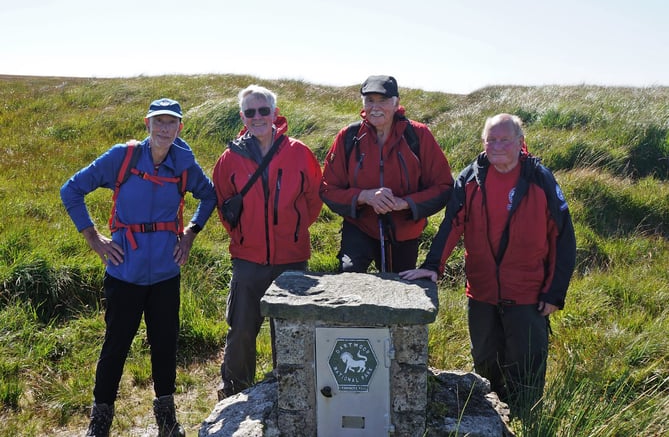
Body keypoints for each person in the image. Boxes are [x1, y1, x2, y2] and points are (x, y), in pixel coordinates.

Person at [400, 113, 576, 417]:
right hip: (481, 292)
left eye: (504, 139)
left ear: (520, 142)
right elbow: (451, 225)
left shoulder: (539, 179)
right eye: (491, 139)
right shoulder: (470, 177)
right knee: (485, 361)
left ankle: (525, 420)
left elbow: (563, 238)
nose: (496, 146)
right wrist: (432, 265)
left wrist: (554, 292)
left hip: (529, 294)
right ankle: (492, 418)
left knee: (526, 364)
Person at [60, 98, 217, 437]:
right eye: (158, 121)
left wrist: (190, 234)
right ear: (147, 124)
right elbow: (71, 190)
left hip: (165, 273)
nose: (164, 128)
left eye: (171, 122)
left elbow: (209, 195)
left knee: (164, 343)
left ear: (180, 127)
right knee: (116, 344)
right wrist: (94, 238)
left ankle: (166, 419)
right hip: (124, 271)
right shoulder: (123, 157)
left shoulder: (184, 164)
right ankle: (100, 419)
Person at [212, 85, 323, 399]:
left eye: (263, 110)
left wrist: (295, 230)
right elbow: (224, 206)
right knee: (242, 329)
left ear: (275, 114)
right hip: (247, 259)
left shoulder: (299, 152)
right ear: (242, 116)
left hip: (291, 258)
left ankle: (288, 389)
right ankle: (235, 390)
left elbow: (315, 198)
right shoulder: (229, 158)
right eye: (250, 112)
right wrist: (243, 238)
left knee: (288, 330)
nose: (257, 117)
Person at [320, 75, 454, 273]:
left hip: (404, 230)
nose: (375, 107)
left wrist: (405, 203)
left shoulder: (418, 135)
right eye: (369, 101)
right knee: (349, 274)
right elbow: (327, 188)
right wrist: (364, 197)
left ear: (396, 103)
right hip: (359, 227)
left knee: (400, 287)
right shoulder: (348, 136)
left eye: (382, 101)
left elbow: (443, 187)